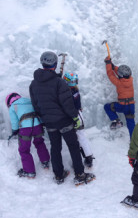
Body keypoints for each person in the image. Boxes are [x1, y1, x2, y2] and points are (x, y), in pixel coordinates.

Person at [29, 51, 95, 185]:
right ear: (55, 64)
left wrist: (45, 118)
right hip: (64, 121)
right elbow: (67, 103)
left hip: (49, 122)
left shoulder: (33, 84)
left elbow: (36, 105)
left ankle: (59, 175)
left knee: (55, 148)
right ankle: (80, 174)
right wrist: (74, 117)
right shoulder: (59, 82)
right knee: (73, 146)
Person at [6, 92, 50, 178]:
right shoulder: (30, 101)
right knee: (40, 143)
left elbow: (14, 122)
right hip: (37, 125)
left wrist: (14, 131)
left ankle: (30, 171)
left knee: (24, 150)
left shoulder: (13, 107)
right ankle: (45, 162)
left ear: (9, 102)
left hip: (26, 129)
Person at [63, 72, 95, 168]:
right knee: (80, 137)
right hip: (77, 115)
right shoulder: (75, 90)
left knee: (78, 137)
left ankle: (86, 157)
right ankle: (87, 157)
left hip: (74, 115)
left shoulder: (68, 92)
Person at [104, 56, 135, 138]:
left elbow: (110, 74)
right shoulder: (131, 80)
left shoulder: (119, 82)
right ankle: (134, 140)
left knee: (107, 107)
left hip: (122, 105)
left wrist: (108, 64)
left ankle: (116, 121)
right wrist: (113, 66)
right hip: (131, 105)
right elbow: (121, 72)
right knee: (131, 123)